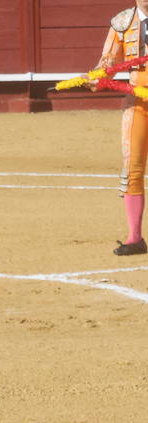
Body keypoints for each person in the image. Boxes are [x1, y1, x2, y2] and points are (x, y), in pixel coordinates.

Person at [96, 1, 148, 255]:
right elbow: (107, 60)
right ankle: (135, 238)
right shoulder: (123, 22)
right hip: (138, 102)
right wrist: (97, 77)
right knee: (132, 167)